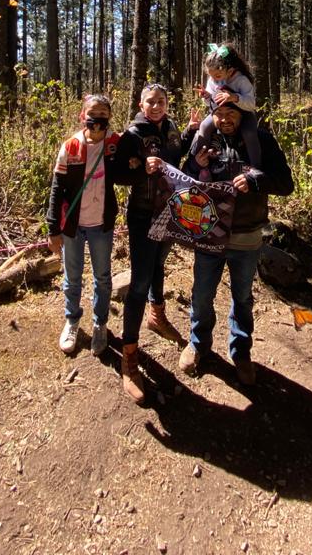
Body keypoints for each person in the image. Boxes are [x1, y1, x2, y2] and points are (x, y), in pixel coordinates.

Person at [179, 100, 294, 386]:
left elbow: (286, 184)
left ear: (243, 114)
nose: (225, 119)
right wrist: (195, 163)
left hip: (247, 235)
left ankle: (241, 353)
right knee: (202, 295)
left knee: (242, 298)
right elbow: (185, 180)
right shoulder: (205, 138)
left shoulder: (261, 139)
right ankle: (198, 344)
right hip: (209, 235)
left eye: (232, 113)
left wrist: (255, 181)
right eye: (219, 113)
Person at [113, 83, 199, 403]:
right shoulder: (133, 134)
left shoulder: (172, 128)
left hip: (170, 212)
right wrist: (142, 172)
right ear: (141, 102)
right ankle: (129, 357)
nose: (157, 106)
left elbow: (176, 154)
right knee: (138, 283)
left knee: (158, 265)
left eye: (161, 101)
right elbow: (118, 173)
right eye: (151, 101)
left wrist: (190, 132)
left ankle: (157, 315)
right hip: (142, 215)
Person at [46, 94, 120, 357]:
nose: (97, 117)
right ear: (82, 115)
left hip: (101, 223)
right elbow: (57, 189)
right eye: (92, 112)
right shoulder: (71, 146)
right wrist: (53, 229)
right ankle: (72, 321)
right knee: (72, 278)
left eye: (102, 112)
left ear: (109, 117)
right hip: (73, 225)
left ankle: (100, 324)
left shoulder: (116, 143)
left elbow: (128, 173)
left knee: (102, 277)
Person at [196, 43, 261, 169]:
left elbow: (251, 104)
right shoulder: (213, 80)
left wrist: (234, 97)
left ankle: (256, 168)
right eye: (211, 75)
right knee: (204, 126)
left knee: (248, 132)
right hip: (219, 114)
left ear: (230, 70)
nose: (214, 79)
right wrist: (206, 96)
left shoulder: (241, 80)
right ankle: (199, 162)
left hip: (245, 113)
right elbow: (211, 103)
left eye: (218, 76)